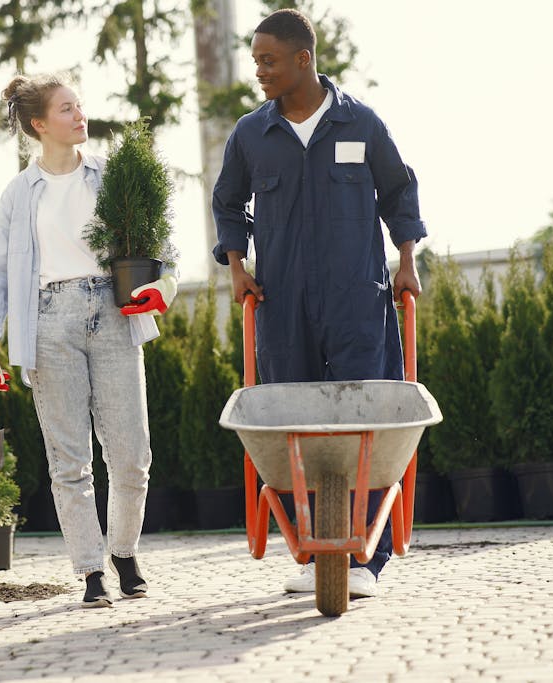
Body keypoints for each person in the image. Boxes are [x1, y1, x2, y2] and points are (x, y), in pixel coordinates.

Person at [211, 9, 425, 598]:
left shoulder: (361, 123)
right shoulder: (252, 134)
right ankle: (310, 553)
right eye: (255, 60)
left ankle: (365, 558)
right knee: (293, 425)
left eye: (268, 60)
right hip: (282, 302)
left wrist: (407, 262)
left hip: (357, 297)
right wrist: (237, 268)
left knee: (369, 423)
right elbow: (227, 205)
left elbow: (399, 191)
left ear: (303, 59)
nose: (259, 70)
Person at [0, 73, 178, 608]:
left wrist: (166, 285)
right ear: (40, 124)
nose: (80, 116)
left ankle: (125, 551)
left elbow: (157, 244)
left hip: (111, 312)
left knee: (132, 453)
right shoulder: (18, 195)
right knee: (70, 459)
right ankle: (91, 571)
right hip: (48, 321)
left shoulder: (110, 176)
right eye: (67, 109)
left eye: (79, 106)